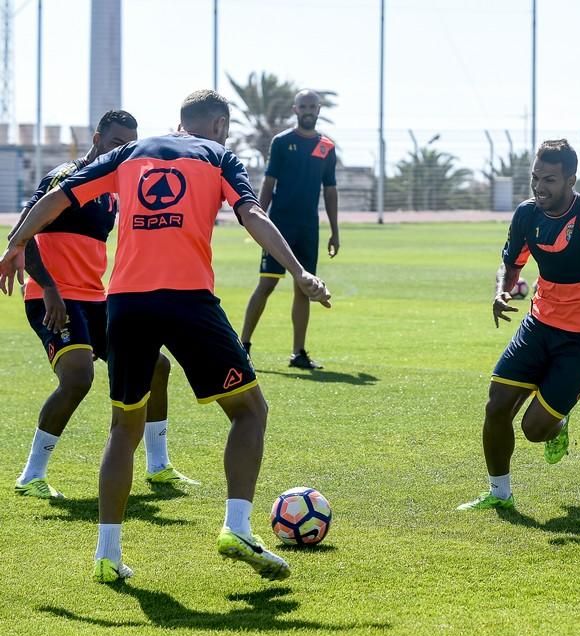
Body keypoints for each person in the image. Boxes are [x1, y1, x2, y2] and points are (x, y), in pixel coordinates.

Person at [0, 89, 331, 583]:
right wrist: (300, 271)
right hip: (187, 300)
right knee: (249, 410)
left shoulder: (128, 153)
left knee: (122, 429)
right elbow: (254, 214)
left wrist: (17, 241)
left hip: (126, 302)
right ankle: (236, 527)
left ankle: (107, 557)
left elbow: (56, 196)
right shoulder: (219, 155)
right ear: (219, 125)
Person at [11, 110, 196, 500]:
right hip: (53, 297)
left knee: (157, 367)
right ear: (97, 138)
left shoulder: (114, 187)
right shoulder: (65, 177)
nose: (123, 151)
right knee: (78, 377)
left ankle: (159, 466)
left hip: (96, 299)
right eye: (116, 143)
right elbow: (21, 235)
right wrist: (48, 288)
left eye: (129, 145)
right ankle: (32, 474)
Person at [457, 139, 580, 511]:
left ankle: (558, 423)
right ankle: (499, 495)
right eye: (536, 178)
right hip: (540, 322)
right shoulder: (527, 215)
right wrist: (502, 292)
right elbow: (511, 263)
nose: (540, 187)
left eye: (550, 180)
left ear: (571, 180)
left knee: (534, 429)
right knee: (496, 406)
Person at [240, 89, 339, 369]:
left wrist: (335, 230)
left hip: (309, 228)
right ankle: (243, 345)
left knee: (304, 286)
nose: (308, 110)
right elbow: (269, 183)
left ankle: (298, 353)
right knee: (267, 283)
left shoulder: (327, 147)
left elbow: (330, 190)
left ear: (319, 109)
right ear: (295, 109)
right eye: (303, 106)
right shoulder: (282, 142)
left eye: (312, 106)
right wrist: (257, 217)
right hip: (280, 226)